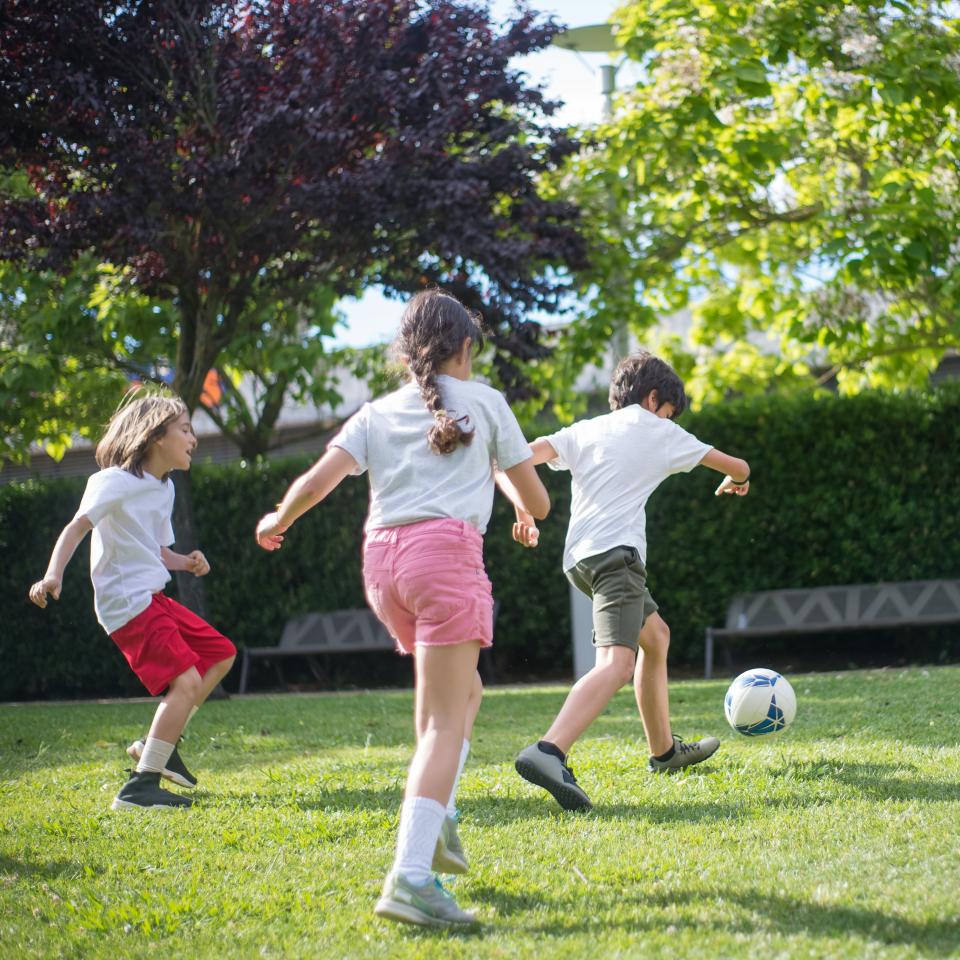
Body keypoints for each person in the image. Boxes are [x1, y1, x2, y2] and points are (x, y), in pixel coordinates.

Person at [255, 288, 549, 929]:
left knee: (458, 695)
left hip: (384, 568)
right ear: (465, 347)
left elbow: (317, 481)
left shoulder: (378, 410)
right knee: (449, 720)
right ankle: (412, 877)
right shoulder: (487, 402)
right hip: (444, 560)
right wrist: (525, 503)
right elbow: (539, 500)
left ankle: (437, 817)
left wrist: (278, 518)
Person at [511, 351, 751, 811]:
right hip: (616, 557)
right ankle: (549, 751)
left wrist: (524, 508)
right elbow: (736, 465)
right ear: (654, 397)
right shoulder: (658, 429)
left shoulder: (586, 429)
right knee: (617, 665)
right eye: (667, 411)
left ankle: (664, 753)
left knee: (656, 637)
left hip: (579, 559)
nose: (668, 420)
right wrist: (738, 481)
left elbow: (524, 457)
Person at [28, 390, 236, 811]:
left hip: (152, 595)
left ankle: (158, 746)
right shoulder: (112, 482)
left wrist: (186, 562)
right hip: (126, 603)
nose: (194, 438)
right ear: (157, 436)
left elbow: (157, 552)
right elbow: (76, 528)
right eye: (185, 429)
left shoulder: (165, 489)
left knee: (220, 653)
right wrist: (53, 575)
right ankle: (139, 789)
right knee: (187, 682)